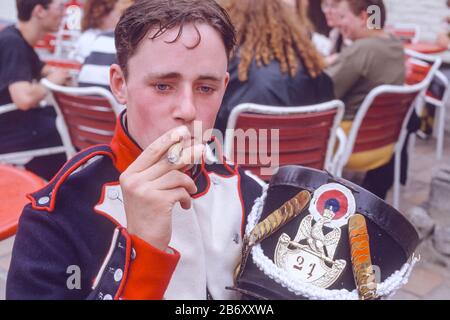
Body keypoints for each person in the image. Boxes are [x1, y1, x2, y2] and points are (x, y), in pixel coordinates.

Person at [7, 0, 263, 300]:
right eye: (163, 86)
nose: (187, 109)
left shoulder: (253, 196)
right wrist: (142, 254)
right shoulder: (56, 217)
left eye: (206, 88)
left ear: (224, 86)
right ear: (119, 84)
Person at [326, 0, 416, 200]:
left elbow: (322, 93)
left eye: (342, 17)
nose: (339, 23)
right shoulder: (394, 44)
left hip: (347, 144)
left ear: (364, 17)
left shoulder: (362, 49)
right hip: (383, 146)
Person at [214, 0, 334, 135]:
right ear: (287, 22)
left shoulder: (235, 69)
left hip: (245, 153)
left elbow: (217, 122)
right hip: (305, 153)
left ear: (236, 21)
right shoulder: (311, 67)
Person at [0, 0, 72, 180]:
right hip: (10, 132)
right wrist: (51, 81)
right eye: (60, 7)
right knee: (74, 132)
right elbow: (23, 99)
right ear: (40, 11)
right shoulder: (13, 43)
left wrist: (53, 74)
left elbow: (43, 69)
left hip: (15, 125)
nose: (64, 13)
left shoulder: (17, 39)